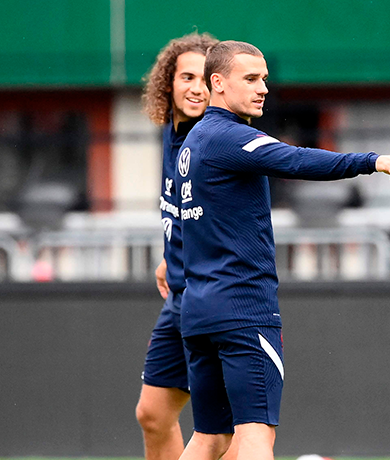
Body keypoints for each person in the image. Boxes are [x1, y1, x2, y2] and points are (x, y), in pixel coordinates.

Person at [175, 40, 390, 460]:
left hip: (200, 311)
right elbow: (295, 160)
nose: (263, 89)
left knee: (210, 438)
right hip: (242, 309)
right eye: (250, 79)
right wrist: (373, 161)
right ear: (217, 82)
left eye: (264, 79)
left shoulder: (193, 141)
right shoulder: (230, 137)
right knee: (255, 433)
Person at [135, 32, 240, 460]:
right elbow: (182, 209)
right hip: (180, 294)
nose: (196, 88)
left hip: (213, 296)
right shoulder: (172, 131)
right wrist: (170, 253)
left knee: (226, 432)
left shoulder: (217, 138)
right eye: (186, 77)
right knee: (153, 413)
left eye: (204, 78)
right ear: (168, 83)